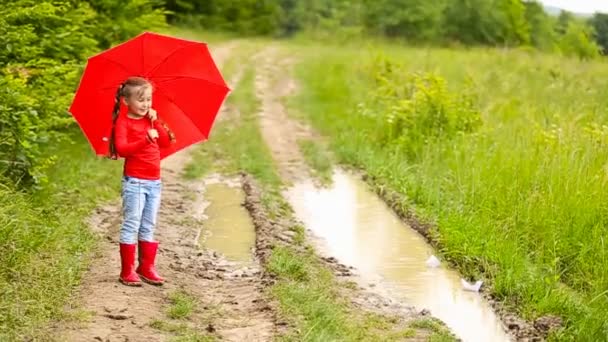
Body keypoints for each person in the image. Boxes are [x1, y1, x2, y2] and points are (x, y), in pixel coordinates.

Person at [109, 76, 175, 286]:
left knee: (148, 224)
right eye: (141, 100)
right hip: (135, 182)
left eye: (148, 99)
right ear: (126, 101)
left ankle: (146, 267)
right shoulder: (123, 121)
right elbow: (121, 149)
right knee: (132, 223)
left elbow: (165, 143)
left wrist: (156, 121)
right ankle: (126, 270)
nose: (146, 104)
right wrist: (145, 138)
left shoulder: (151, 119)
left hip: (154, 182)